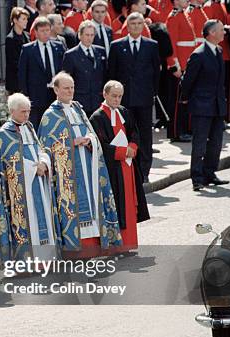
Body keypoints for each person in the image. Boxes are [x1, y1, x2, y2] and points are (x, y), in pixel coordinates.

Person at [38, 72, 121, 256]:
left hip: (88, 166)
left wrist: (89, 140)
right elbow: (46, 146)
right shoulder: (50, 115)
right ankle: (75, 250)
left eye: (72, 87)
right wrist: (71, 143)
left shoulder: (78, 109)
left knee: (93, 205)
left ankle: (96, 246)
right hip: (69, 174)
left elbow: (92, 134)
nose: (70, 91)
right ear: (56, 90)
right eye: (66, 88)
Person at [0, 93, 57, 267]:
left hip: (38, 181)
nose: (26, 115)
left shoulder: (29, 127)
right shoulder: (5, 133)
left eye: (28, 111)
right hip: (22, 190)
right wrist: (33, 168)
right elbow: (10, 161)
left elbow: (41, 149)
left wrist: (45, 163)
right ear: (12, 111)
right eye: (23, 112)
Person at [89, 81, 150, 250]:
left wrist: (133, 147)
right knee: (117, 206)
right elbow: (100, 144)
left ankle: (130, 243)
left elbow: (134, 133)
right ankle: (117, 245)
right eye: (114, 96)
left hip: (128, 167)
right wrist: (122, 152)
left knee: (130, 205)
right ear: (105, 94)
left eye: (120, 96)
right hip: (112, 170)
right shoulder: (97, 117)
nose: (117, 100)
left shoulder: (124, 112)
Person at [109, 12, 161, 182]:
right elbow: (112, 73)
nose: (136, 26)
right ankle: (127, 168)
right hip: (124, 99)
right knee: (125, 134)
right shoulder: (117, 46)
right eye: (133, 24)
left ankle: (144, 170)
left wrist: (153, 93)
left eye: (140, 23)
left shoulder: (152, 45)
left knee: (145, 134)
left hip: (144, 98)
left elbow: (156, 73)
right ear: (128, 27)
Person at [180, 19, 229, 191]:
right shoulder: (199, 54)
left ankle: (210, 173)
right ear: (211, 33)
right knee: (200, 142)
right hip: (202, 105)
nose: (224, 32)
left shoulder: (219, 51)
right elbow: (187, 80)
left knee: (216, 142)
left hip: (217, 105)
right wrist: (185, 98)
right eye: (221, 30)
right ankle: (197, 178)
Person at [19, 17, 66, 128]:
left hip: (55, 93)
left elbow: (64, 69)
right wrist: (26, 96)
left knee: (56, 125)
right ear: (36, 32)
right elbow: (22, 74)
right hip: (36, 96)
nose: (45, 33)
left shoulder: (58, 46)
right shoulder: (28, 49)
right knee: (37, 126)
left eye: (47, 30)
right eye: (42, 31)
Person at [62, 20, 107, 116]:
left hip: (97, 101)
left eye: (92, 35)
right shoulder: (70, 55)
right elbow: (66, 80)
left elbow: (104, 75)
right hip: (80, 102)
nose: (89, 38)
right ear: (80, 35)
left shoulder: (100, 51)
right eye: (87, 35)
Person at [165, 0, 196, 143]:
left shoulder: (184, 14)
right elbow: (171, 43)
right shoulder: (174, 16)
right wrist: (174, 65)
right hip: (180, 65)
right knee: (177, 102)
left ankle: (185, 129)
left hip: (187, 63)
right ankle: (176, 132)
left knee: (184, 101)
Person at [5, 7, 31, 94]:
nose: (26, 21)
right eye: (23, 19)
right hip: (15, 82)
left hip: (27, 79)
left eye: (26, 19)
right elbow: (13, 62)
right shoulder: (10, 39)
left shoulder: (27, 35)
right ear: (15, 20)